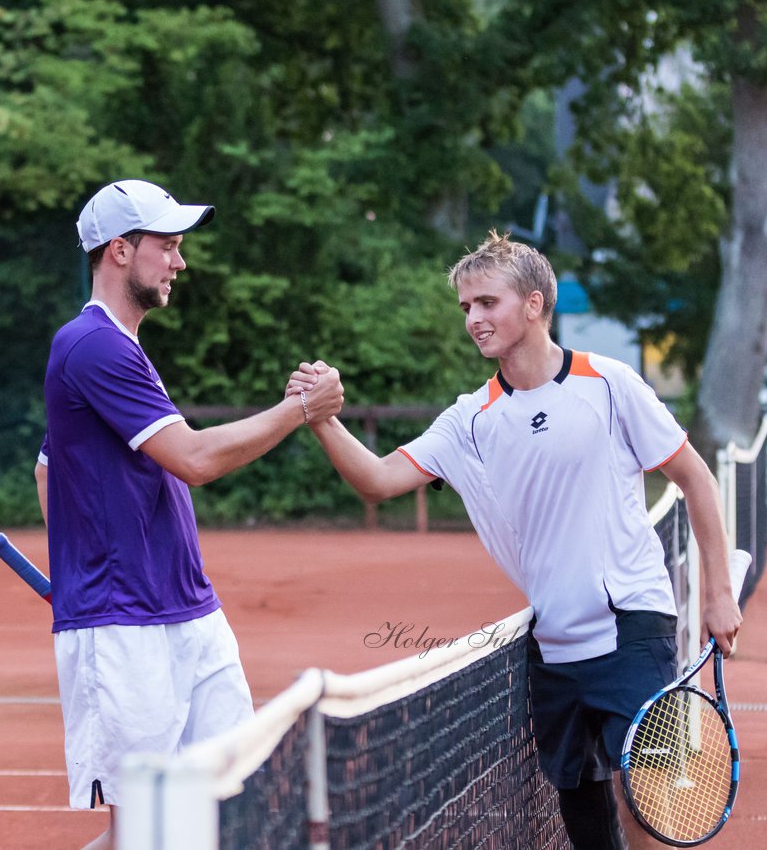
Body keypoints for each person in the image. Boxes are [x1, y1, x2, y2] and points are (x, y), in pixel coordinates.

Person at [289, 231, 742, 849]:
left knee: (643, 804)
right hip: (551, 649)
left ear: (534, 304)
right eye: (466, 307)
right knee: (581, 819)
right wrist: (322, 419)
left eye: (487, 303)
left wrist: (718, 594)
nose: (473, 318)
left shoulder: (609, 383)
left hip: (633, 628)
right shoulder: (468, 420)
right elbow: (376, 479)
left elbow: (696, 479)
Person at [35, 179, 343, 850]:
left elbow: (48, 467)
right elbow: (196, 459)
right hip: (126, 624)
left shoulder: (121, 348)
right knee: (144, 832)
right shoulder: (92, 347)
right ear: (121, 251)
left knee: (220, 802)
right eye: (167, 247)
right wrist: (300, 410)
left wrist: (76, 565)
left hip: (187, 613)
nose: (180, 262)